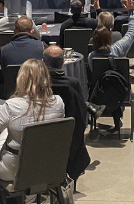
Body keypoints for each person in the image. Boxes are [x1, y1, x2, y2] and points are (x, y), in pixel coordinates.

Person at [0, 59, 64, 185]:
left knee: (4, 133)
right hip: (48, 167)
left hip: (13, 171)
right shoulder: (59, 102)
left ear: (21, 78)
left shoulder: (13, 106)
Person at [43, 45, 90, 182]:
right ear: (63, 62)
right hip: (69, 137)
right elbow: (80, 114)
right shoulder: (73, 84)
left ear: (43, 62)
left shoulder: (37, 85)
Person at [87, 13, 134, 130]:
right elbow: (131, 34)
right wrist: (132, 15)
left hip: (98, 95)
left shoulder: (91, 56)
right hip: (121, 94)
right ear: (110, 38)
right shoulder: (118, 49)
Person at [0, 16, 46, 97]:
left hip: (11, 94)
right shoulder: (42, 47)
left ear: (15, 31)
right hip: (37, 93)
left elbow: (3, 69)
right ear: (32, 31)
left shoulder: (3, 50)